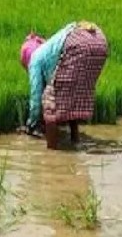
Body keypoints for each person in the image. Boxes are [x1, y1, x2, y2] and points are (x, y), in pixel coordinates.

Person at [20, 21, 109, 149]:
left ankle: (52, 153)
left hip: (78, 41)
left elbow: (36, 96)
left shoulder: (35, 59)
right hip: (99, 39)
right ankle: (75, 141)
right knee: (71, 95)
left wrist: (32, 124)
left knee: (49, 101)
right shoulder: (51, 51)